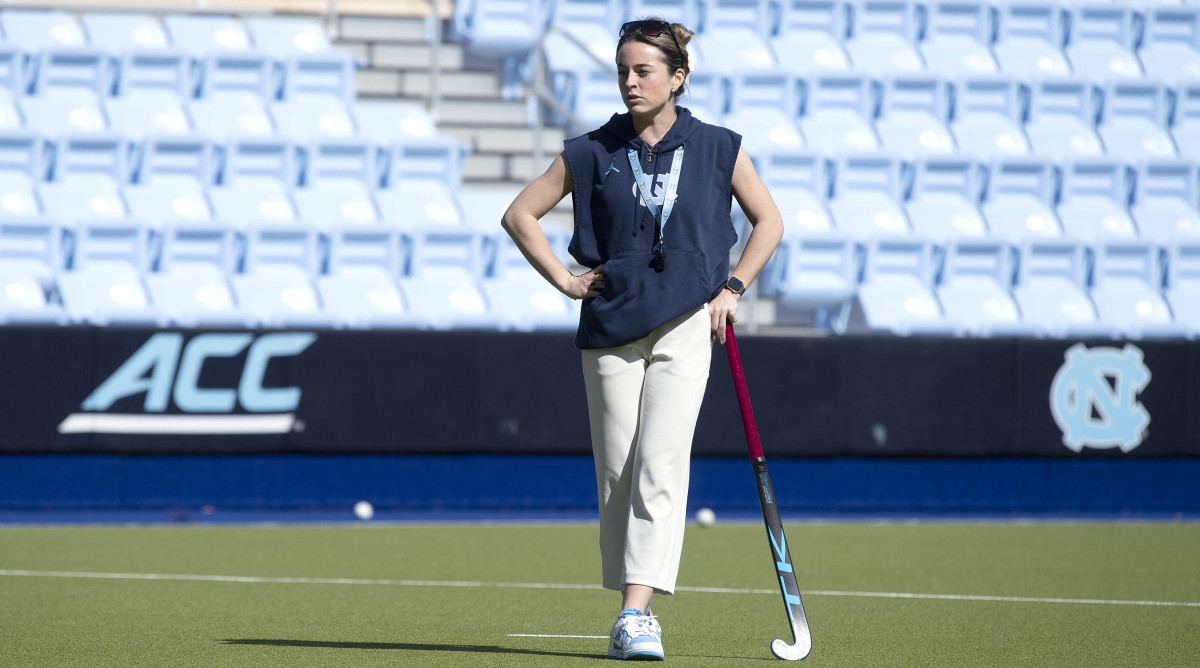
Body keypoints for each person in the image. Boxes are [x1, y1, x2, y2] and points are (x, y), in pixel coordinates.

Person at [501, 17, 783, 661]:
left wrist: (732, 289)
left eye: (644, 71)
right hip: (610, 329)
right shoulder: (591, 148)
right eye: (623, 71)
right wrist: (566, 283)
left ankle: (636, 615)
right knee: (619, 474)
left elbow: (768, 221)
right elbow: (520, 214)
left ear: (677, 78)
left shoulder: (718, 145)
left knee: (661, 465)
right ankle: (631, 602)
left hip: (686, 322)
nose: (630, 82)